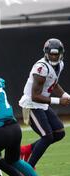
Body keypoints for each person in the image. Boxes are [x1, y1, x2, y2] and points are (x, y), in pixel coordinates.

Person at [19, 38, 70, 167]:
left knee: (59, 133)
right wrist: (59, 100)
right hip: (31, 104)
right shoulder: (41, 68)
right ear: (46, 53)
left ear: (61, 53)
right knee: (47, 136)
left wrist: (66, 95)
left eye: (56, 54)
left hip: (41, 104)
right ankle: (28, 168)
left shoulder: (60, 64)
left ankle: (26, 149)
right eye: (51, 54)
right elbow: (35, 96)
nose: (54, 56)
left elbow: (54, 83)